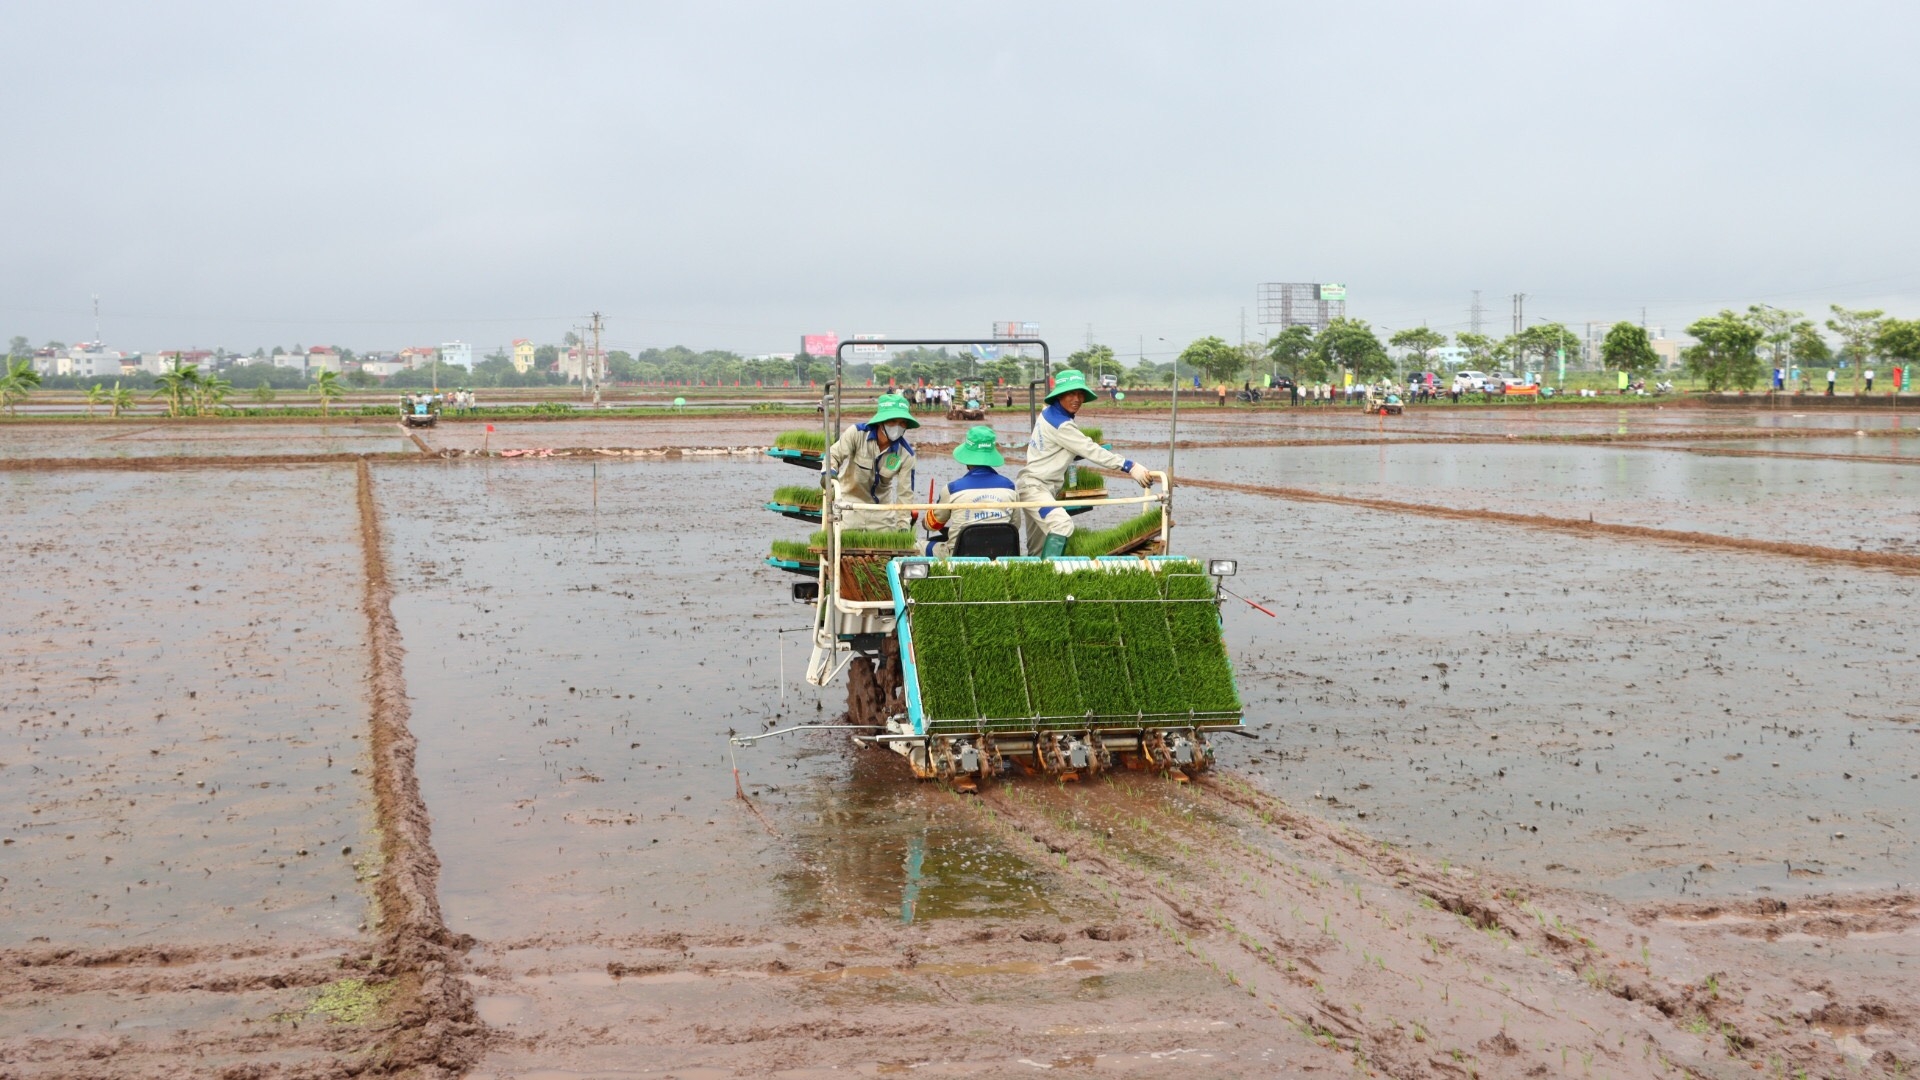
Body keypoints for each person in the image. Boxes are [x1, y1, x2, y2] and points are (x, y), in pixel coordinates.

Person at [1016, 369, 1153, 557]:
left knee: (1038, 548)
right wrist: (1129, 466)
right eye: (1071, 393)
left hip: (1038, 488)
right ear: (1060, 395)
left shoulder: (1048, 413)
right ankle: (1049, 577)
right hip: (1035, 490)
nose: (1077, 399)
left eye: (1080, 394)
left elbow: (1065, 448)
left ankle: (1039, 580)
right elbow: (1090, 449)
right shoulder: (1061, 424)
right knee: (1062, 525)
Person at [825, 393, 918, 530]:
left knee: (884, 548)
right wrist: (828, 473)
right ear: (881, 421)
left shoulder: (906, 454)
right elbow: (833, 455)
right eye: (892, 421)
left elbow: (905, 494)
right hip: (850, 505)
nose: (897, 427)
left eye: (902, 423)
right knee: (843, 547)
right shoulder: (857, 434)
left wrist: (903, 524)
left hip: (882, 512)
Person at [924, 426, 1017, 557]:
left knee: (917, 546)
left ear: (967, 458)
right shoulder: (1010, 487)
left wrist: (926, 521)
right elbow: (1014, 526)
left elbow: (932, 525)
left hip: (958, 555)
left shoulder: (952, 489)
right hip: (1000, 554)